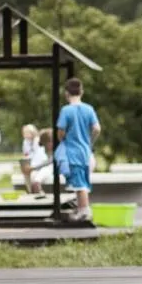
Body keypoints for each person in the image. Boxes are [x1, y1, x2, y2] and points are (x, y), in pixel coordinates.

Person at [56, 78, 101, 222]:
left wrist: (62, 139)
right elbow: (96, 129)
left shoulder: (66, 110)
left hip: (72, 151)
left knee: (79, 184)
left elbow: (61, 131)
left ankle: (84, 212)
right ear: (82, 92)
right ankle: (81, 209)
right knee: (82, 181)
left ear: (66, 93)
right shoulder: (89, 109)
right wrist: (90, 142)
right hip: (85, 151)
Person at [26, 128, 54, 194]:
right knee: (33, 174)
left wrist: (33, 168)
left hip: (51, 169)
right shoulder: (40, 150)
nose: (51, 143)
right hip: (39, 170)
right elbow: (35, 163)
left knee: (48, 168)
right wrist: (32, 168)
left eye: (52, 141)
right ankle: (36, 189)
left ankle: (37, 184)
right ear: (43, 142)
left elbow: (50, 161)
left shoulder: (57, 150)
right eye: (49, 141)